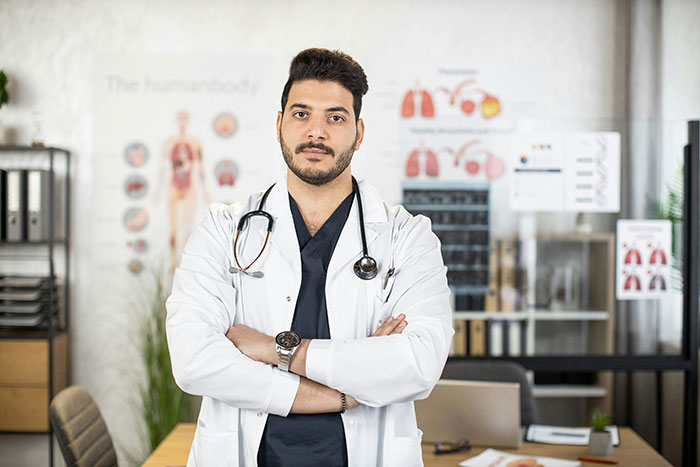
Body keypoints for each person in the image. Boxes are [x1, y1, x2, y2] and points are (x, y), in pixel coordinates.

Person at [166, 48, 453, 467]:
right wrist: (343, 394)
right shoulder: (224, 229)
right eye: (301, 114)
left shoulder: (408, 237)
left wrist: (276, 350)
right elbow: (193, 360)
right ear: (279, 124)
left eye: (335, 117)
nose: (316, 131)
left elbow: (419, 363)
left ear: (359, 132)